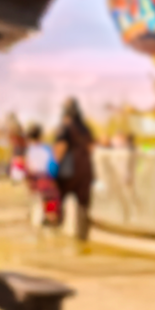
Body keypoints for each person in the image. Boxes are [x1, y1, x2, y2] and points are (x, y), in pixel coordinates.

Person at [54, 98, 95, 242]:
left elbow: (61, 148)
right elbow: (91, 148)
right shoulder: (86, 128)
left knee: (59, 199)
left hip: (67, 171)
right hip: (86, 171)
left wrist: (53, 167)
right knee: (83, 205)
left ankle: (57, 231)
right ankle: (83, 236)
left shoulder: (65, 128)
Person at [24, 124, 60, 227]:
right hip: (47, 178)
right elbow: (54, 165)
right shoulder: (47, 148)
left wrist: (28, 182)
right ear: (41, 135)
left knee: (38, 203)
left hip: (34, 179)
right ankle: (51, 220)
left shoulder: (29, 150)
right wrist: (54, 179)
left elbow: (28, 167)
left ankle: (41, 220)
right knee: (50, 201)